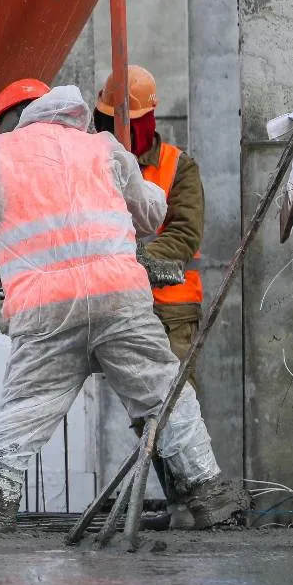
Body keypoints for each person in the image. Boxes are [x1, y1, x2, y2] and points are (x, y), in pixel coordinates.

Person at [0, 81, 244, 534]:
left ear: (7, 120)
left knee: (22, 412)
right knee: (166, 400)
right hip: (120, 298)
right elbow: (151, 214)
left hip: (46, 310)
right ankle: (209, 498)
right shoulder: (103, 147)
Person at [95, 66, 205, 528]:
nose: (114, 133)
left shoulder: (178, 165)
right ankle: (182, 504)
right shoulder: (93, 162)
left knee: (171, 405)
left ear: (147, 120)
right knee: (146, 413)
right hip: (120, 305)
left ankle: (193, 505)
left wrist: (132, 257)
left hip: (169, 308)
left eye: (123, 122)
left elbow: (184, 233)